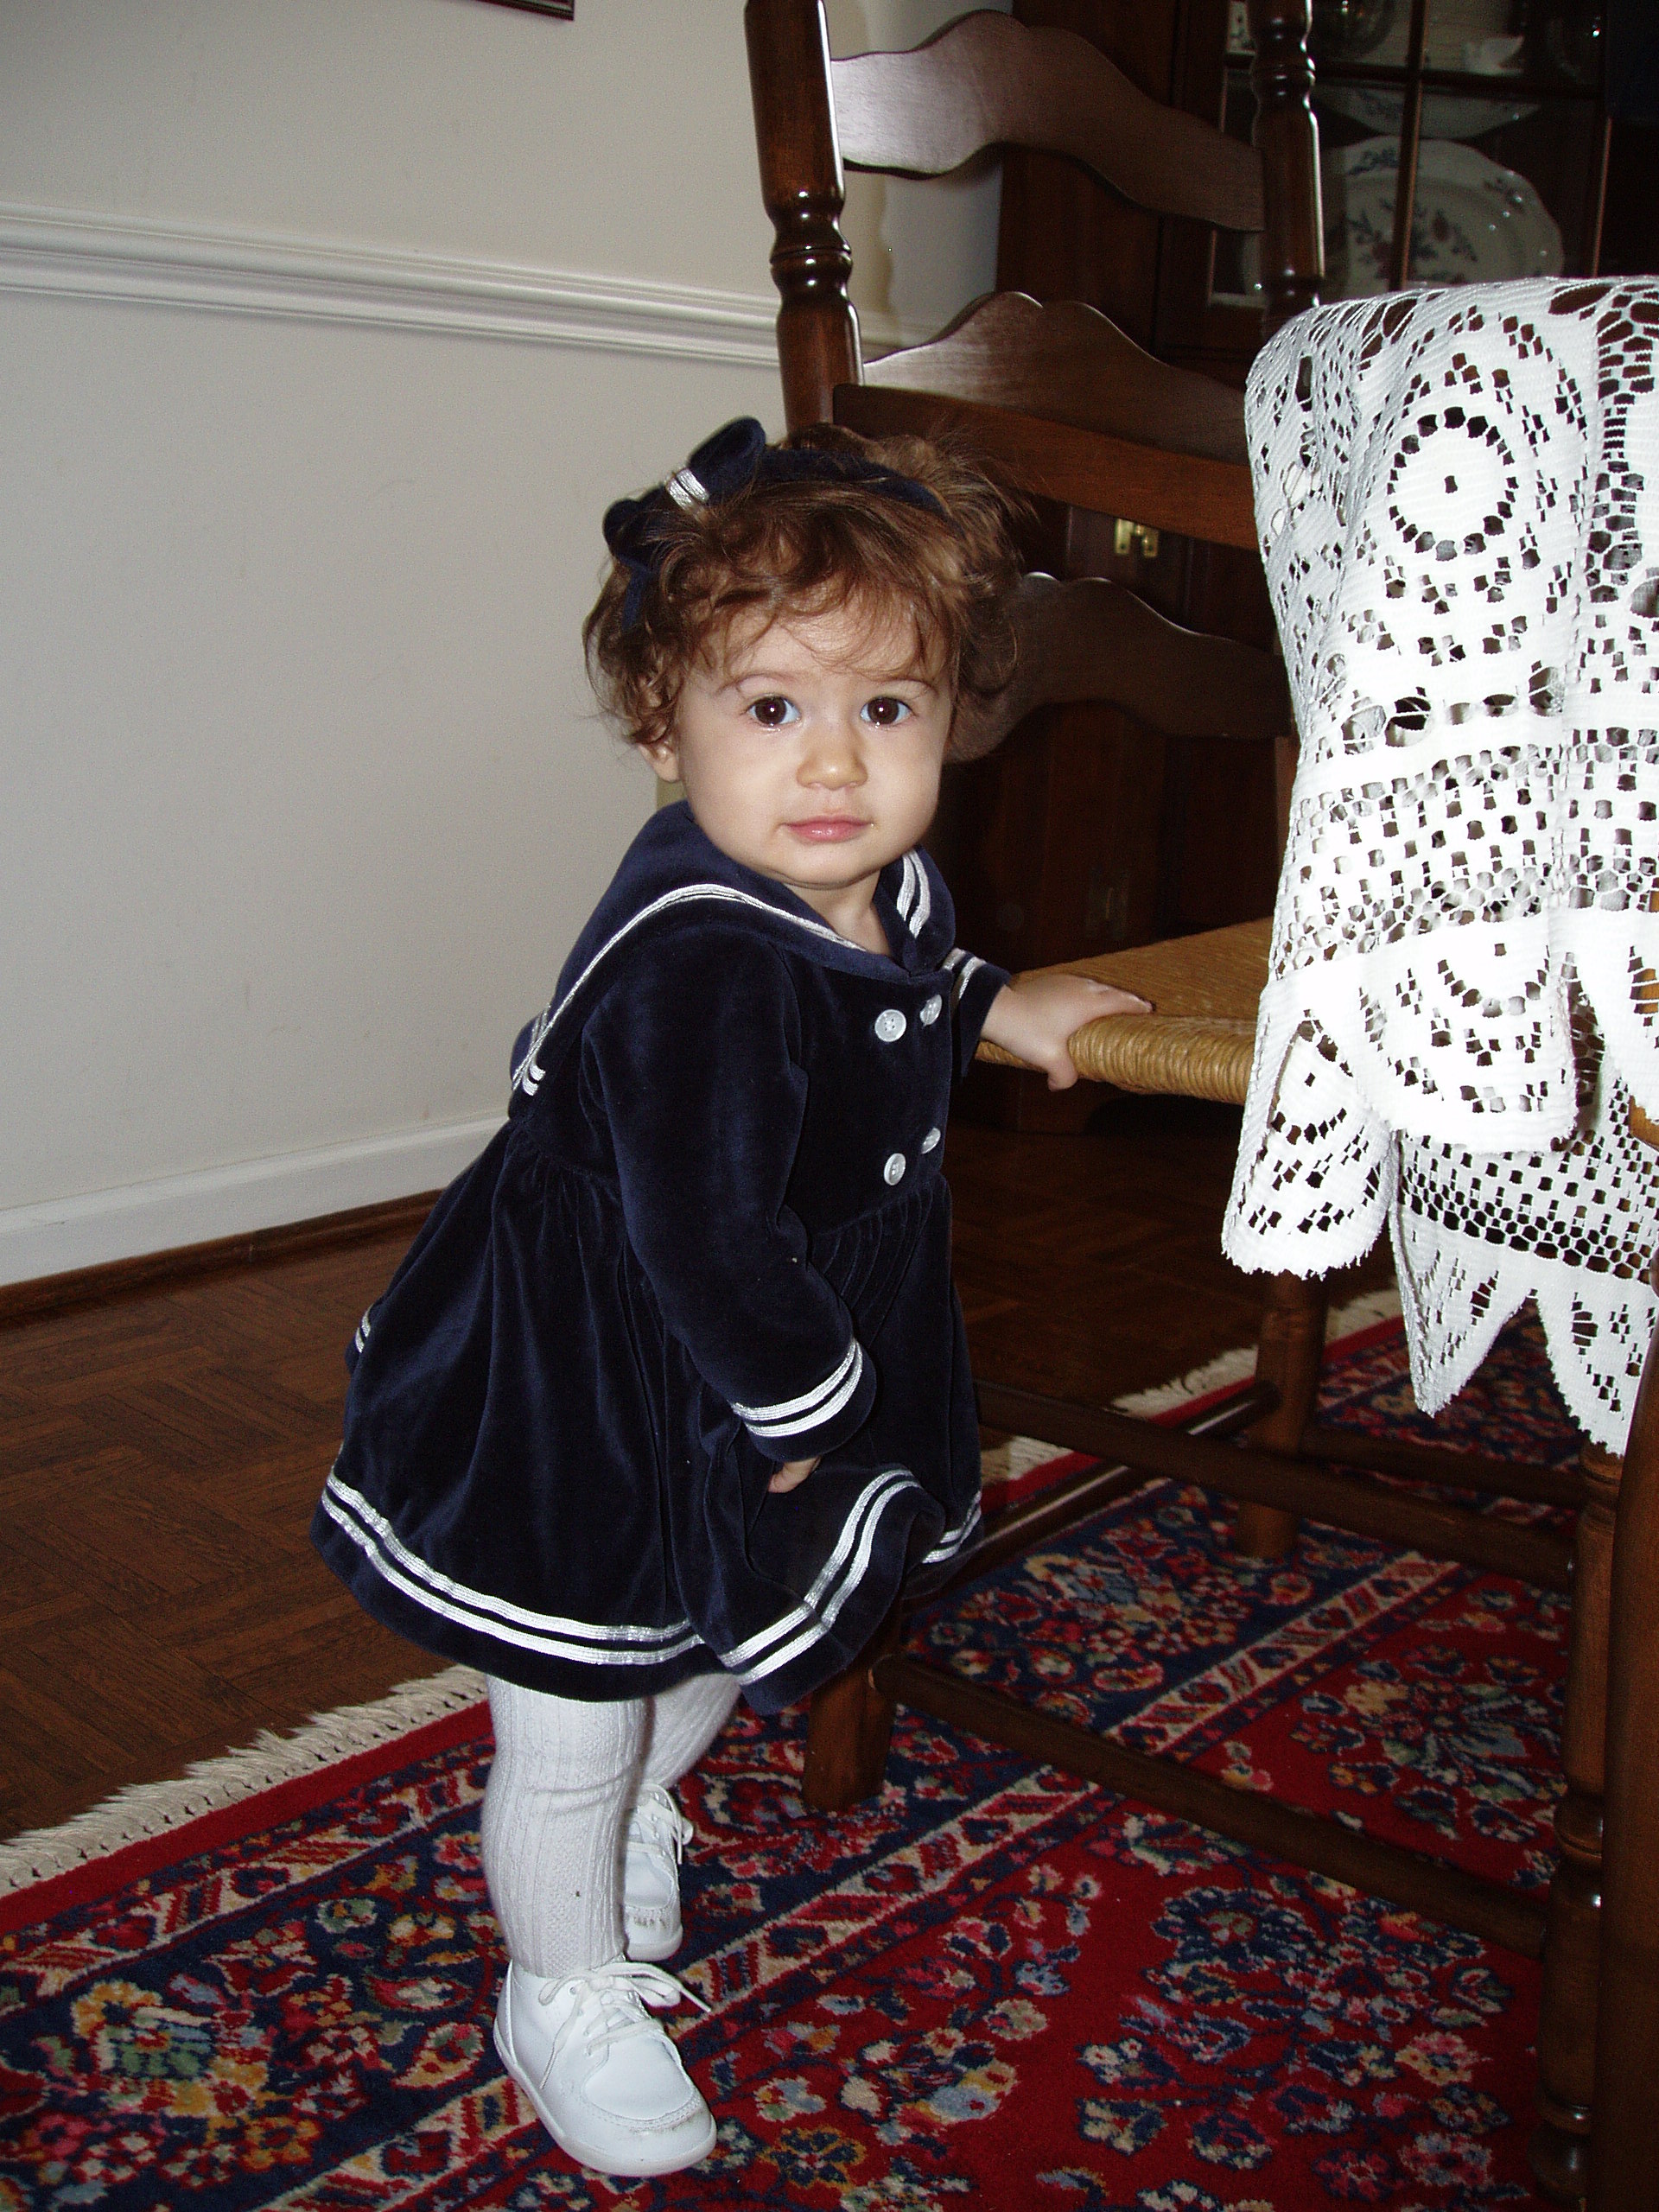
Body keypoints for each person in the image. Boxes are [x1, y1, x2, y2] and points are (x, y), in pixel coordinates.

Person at [311, 417, 1147, 2177]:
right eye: (771, 707)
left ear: (950, 717)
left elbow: (896, 978)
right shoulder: (697, 959)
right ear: (661, 725)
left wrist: (1002, 1003)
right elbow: (702, 1241)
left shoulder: (866, 877)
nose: (833, 759)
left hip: (755, 1344)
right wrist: (810, 1414)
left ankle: (638, 1811)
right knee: (575, 1704)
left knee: (708, 1632)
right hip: (598, 1369)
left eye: (887, 706)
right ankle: (558, 1988)